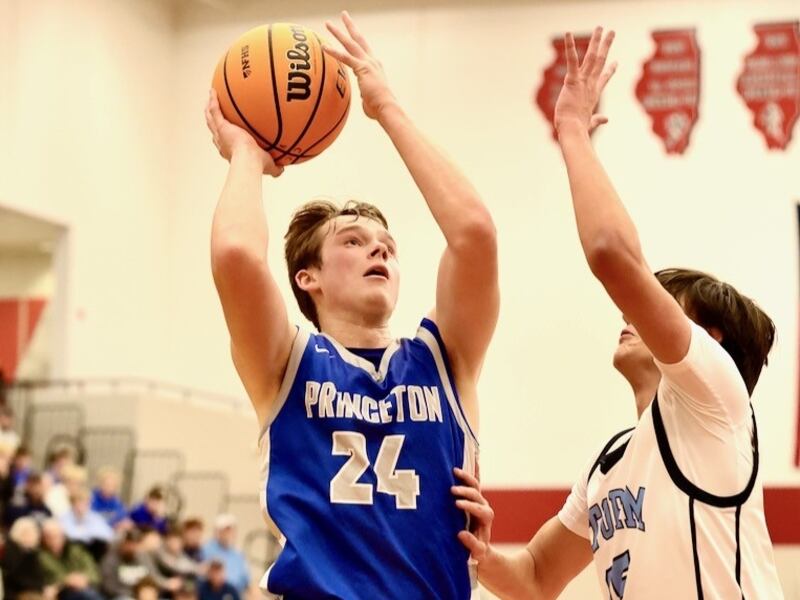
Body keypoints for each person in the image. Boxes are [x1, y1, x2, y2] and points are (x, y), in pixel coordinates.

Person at [451, 27, 784, 600]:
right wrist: (480, 553)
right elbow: (534, 578)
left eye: (656, 301)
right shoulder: (611, 461)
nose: (630, 312)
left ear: (709, 339)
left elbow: (611, 254)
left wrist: (573, 131)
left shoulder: (716, 403)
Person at [204, 11, 498, 599]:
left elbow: (474, 234)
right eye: (353, 241)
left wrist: (387, 106)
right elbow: (237, 254)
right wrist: (247, 155)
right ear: (306, 278)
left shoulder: (445, 358)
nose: (378, 250)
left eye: (386, 244)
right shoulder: (285, 361)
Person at [37, 518, 102, 600]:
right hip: (61, 592)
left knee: (87, 594)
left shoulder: (76, 551)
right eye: (50, 537)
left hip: (84, 588)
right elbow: (45, 580)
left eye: (58, 536)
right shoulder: (39, 556)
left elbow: (93, 571)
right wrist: (67, 580)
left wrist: (84, 578)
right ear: (43, 538)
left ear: (63, 536)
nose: (55, 540)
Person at [2, 516, 48, 598]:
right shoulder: (11, 550)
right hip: (16, 593)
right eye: (33, 533)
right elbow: (17, 578)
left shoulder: (31, 552)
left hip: (32, 591)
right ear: (22, 533)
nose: (36, 537)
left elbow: (39, 576)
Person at [202, 515, 248, 594]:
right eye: (225, 530)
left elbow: (246, 580)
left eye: (230, 530)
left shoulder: (238, 555)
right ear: (217, 532)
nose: (228, 534)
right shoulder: (206, 549)